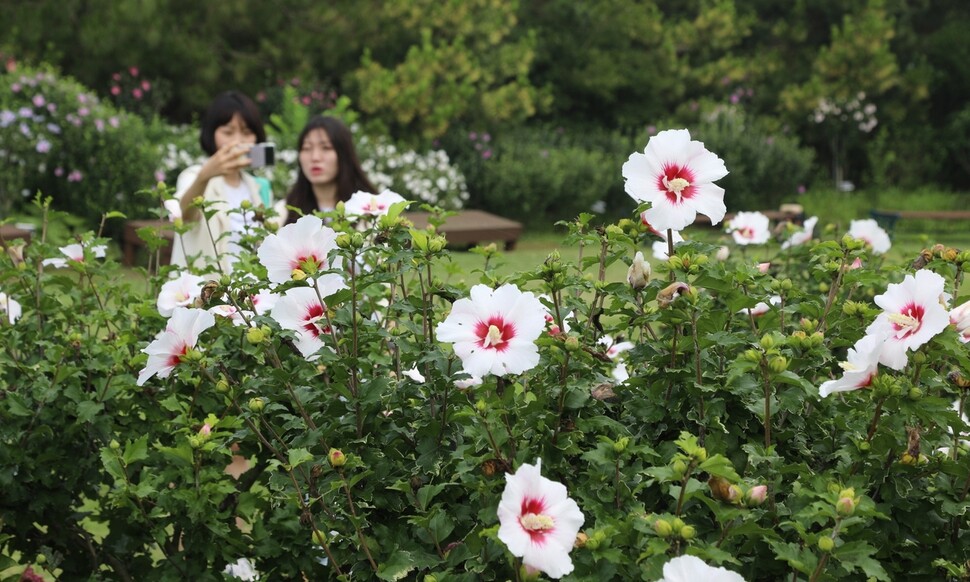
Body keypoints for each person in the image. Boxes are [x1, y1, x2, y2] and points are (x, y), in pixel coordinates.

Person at [172, 90, 269, 272]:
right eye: (228, 132)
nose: (237, 141)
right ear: (212, 134)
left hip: (246, 295)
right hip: (207, 293)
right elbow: (185, 216)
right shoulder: (193, 176)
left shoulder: (257, 186)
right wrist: (204, 176)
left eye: (247, 133)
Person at [277, 115, 376, 224]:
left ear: (344, 154)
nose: (315, 157)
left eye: (326, 148)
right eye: (307, 148)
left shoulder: (371, 210)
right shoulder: (284, 212)